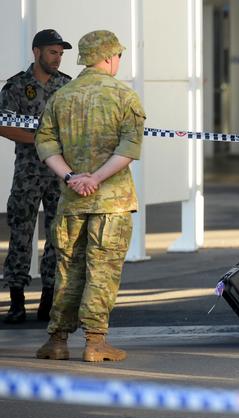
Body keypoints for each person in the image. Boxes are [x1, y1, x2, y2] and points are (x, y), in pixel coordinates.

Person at [34, 30, 146, 361]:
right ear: (110, 57)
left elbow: (45, 144)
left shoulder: (61, 96)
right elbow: (129, 148)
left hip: (71, 200)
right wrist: (96, 178)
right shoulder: (124, 96)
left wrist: (71, 177)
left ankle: (56, 341)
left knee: (67, 271)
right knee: (103, 270)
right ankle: (96, 343)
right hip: (111, 202)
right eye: (118, 56)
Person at [0, 29, 72, 324]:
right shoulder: (16, 86)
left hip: (59, 175)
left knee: (58, 236)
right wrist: (41, 140)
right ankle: (16, 300)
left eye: (60, 54)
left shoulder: (67, 86)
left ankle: (48, 300)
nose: (57, 58)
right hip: (28, 174)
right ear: (37, 52)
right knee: (21, 234)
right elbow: (3, 125)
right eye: (52, 52)